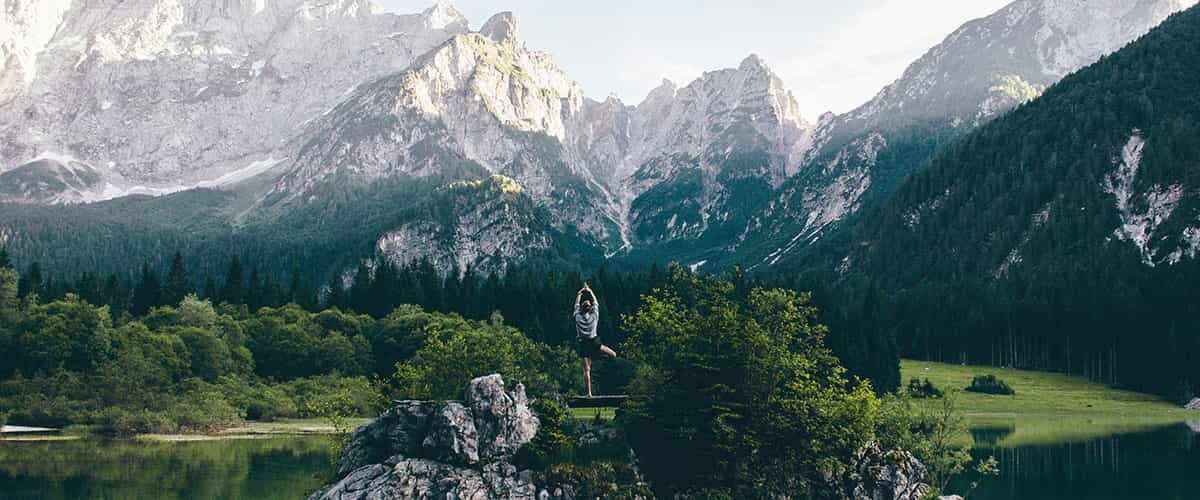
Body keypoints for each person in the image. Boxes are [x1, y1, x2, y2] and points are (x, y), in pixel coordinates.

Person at [575, 283, 616, 397]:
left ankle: (589, 393)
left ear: (581, 309)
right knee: (613, 355)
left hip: (583, 344)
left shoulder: (577, 317)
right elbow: (596, 302)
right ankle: (598, 358)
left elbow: (576, 304)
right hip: (595, 343)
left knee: (587, 371)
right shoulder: (594, 316)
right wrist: (589, 290)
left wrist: (580, 292)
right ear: (590, 308)